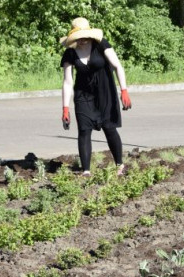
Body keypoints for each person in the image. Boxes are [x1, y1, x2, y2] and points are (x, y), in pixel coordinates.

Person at [60, 17, 131, 177]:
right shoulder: (70, 53)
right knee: (84, 130)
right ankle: (86, 171)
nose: (83, 40)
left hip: (105, 92)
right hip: (83, 95)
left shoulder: (101, 45)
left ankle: (119, 165)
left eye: (85, 36)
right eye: (79, 38)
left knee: (109, 128)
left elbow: (117, 65)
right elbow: (67, 81)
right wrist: (65, 108)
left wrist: (124, 90)